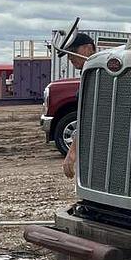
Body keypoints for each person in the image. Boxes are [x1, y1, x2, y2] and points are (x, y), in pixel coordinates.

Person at [59, 33, 95, 179]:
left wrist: (72, 152)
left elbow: (92, 117)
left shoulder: (98, 75)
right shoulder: (88, 74)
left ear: (89, 48)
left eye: (73, 51)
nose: (70, 57)